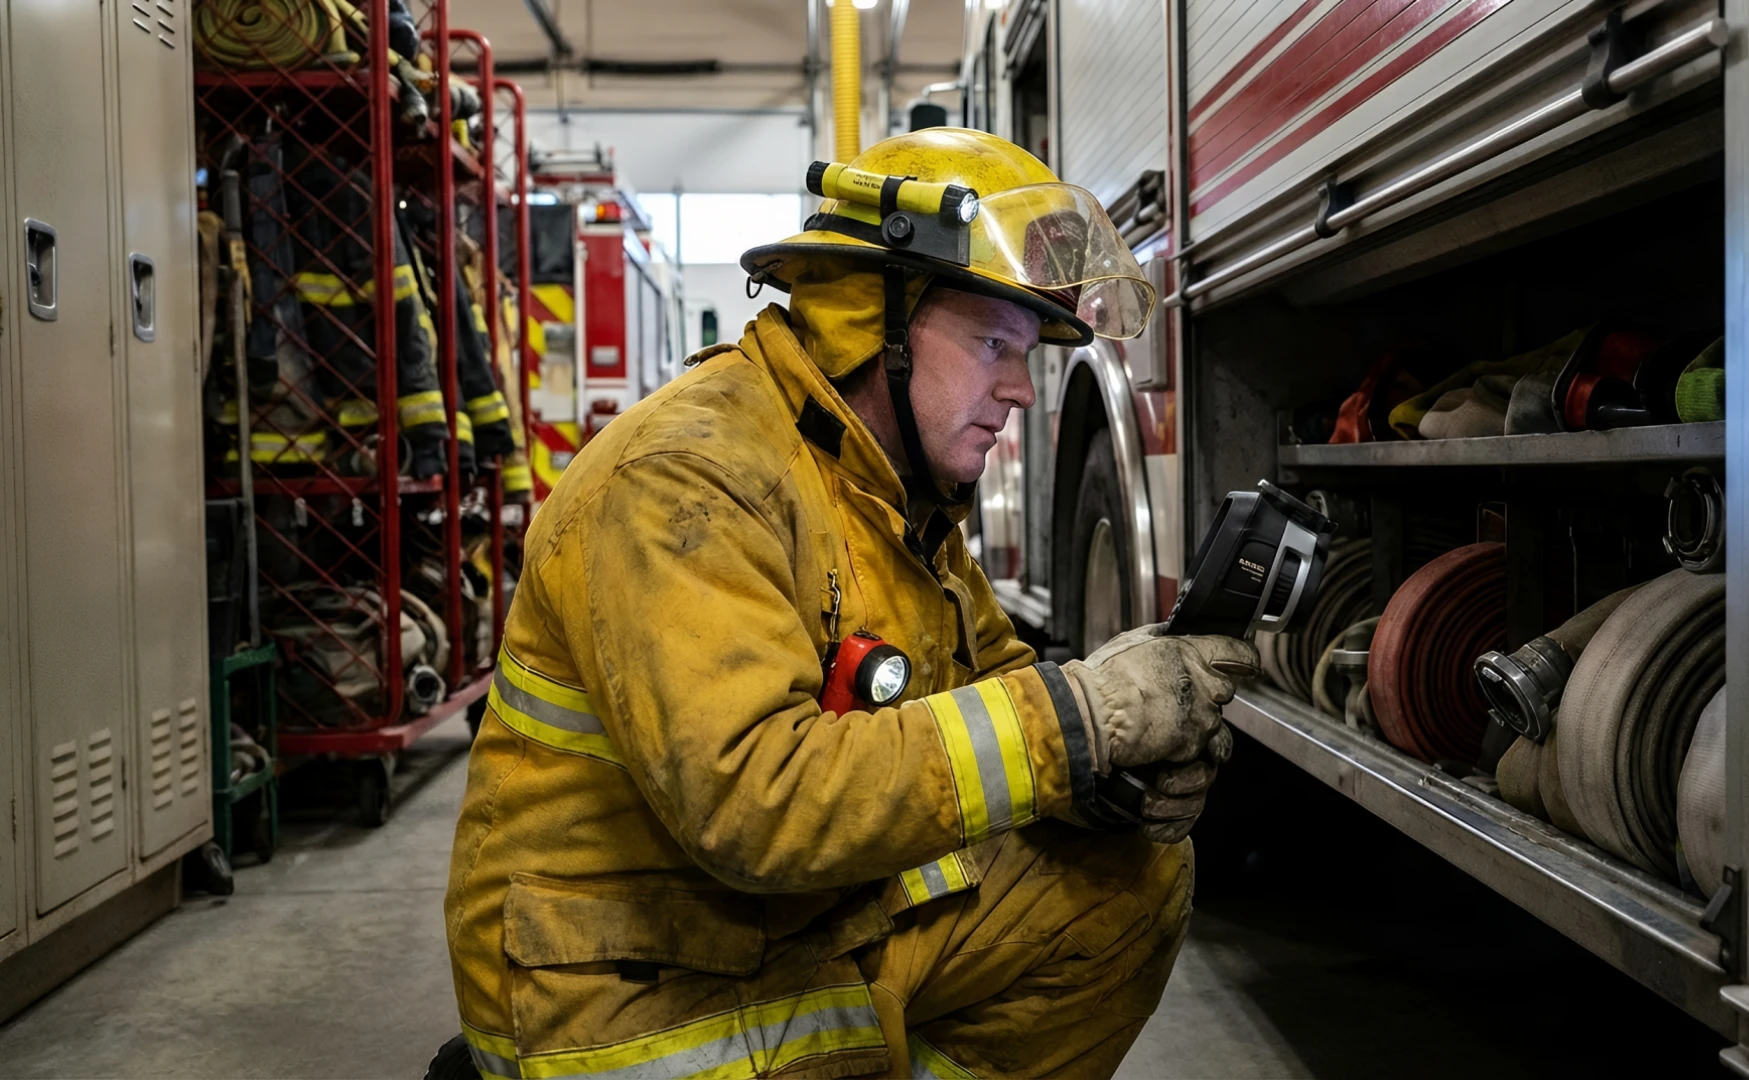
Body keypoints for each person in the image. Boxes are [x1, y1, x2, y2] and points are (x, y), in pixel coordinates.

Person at [441, 128, 1258, 1080]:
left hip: (782, 921)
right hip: (617, 989)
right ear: (874, 320)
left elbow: (987, 682)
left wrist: (1110, 773)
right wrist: (1078, 720)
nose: (1019, 392)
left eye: (1026, 354)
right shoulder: (689, 479)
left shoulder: (886, 488)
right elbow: (757, 807)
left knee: (1128, 881)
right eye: (995, 343)